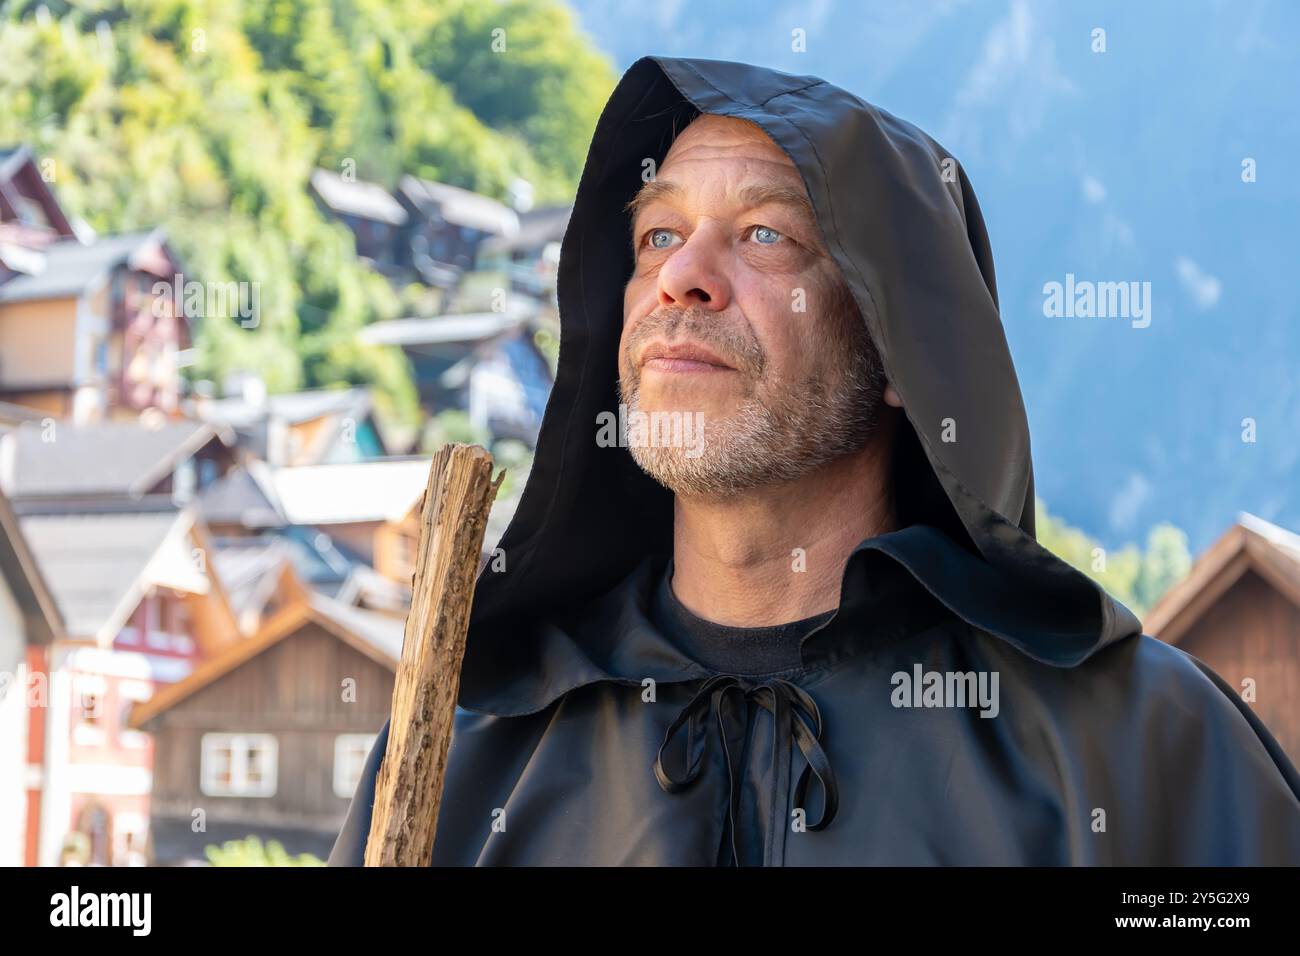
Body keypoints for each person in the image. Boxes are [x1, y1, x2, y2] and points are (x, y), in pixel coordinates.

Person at [329, 55, 1300, 866]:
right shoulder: (463, 755)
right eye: (658, 233)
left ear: (900, 352)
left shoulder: (1140, 754)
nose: (681, 275)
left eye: (765, 234)